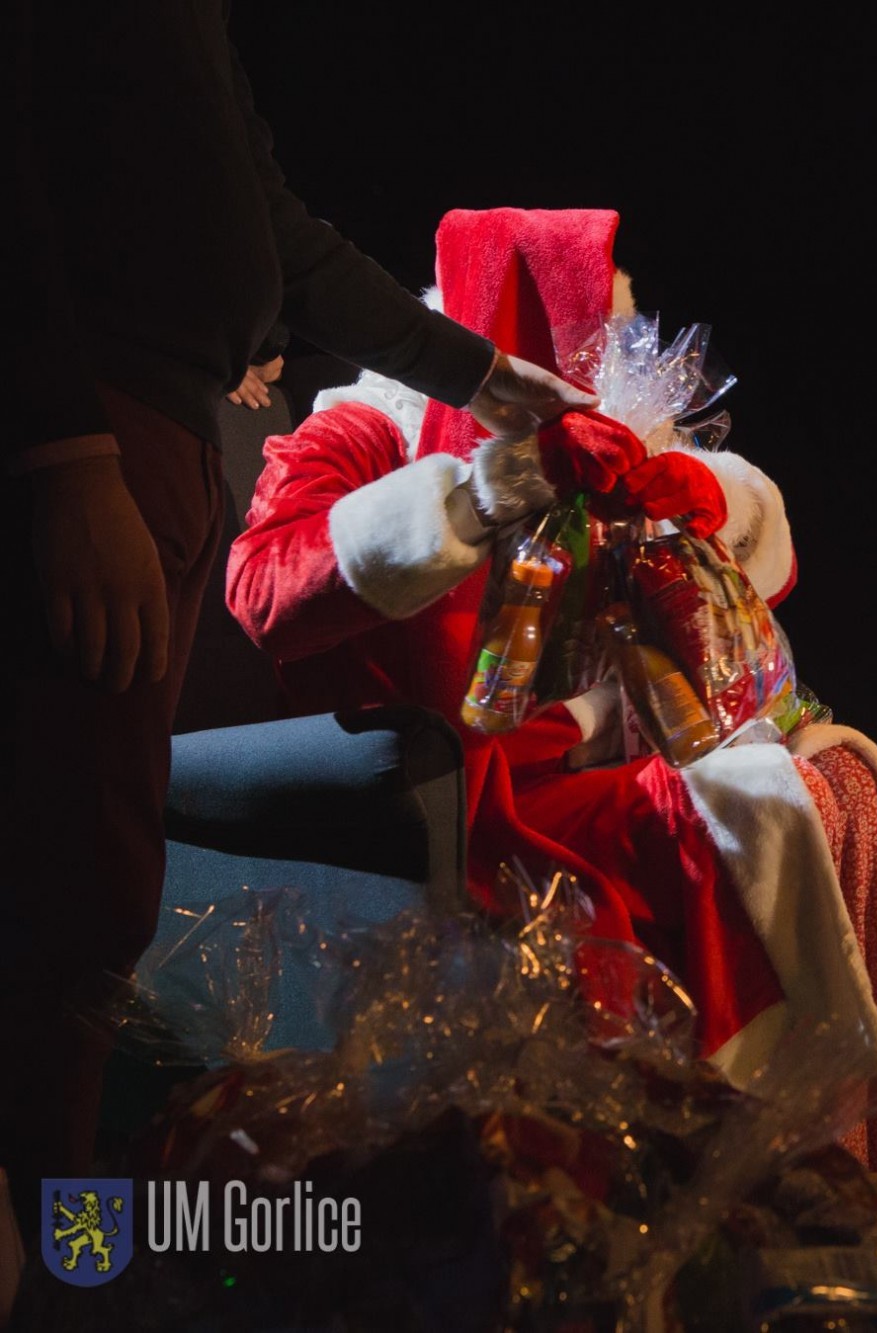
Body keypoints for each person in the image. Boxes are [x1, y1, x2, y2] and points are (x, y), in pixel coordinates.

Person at [2, 2, 590, 1261]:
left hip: (148, 431)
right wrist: (64, 450)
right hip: (95, 430)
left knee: (93, 884)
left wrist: (475, 374)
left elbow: (267, 218)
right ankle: (57, 1249)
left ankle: (65, 1242)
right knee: (63, 879)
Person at [227, 209, 877, 1127]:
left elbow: (770, 568)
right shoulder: (371, 424)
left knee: (817, 789)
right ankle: (689, 1135)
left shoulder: (604, 430)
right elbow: (263, 588)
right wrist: (486, 488)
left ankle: (784, 1135)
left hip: (572, 768)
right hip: (429, 800)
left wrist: (693, 490)